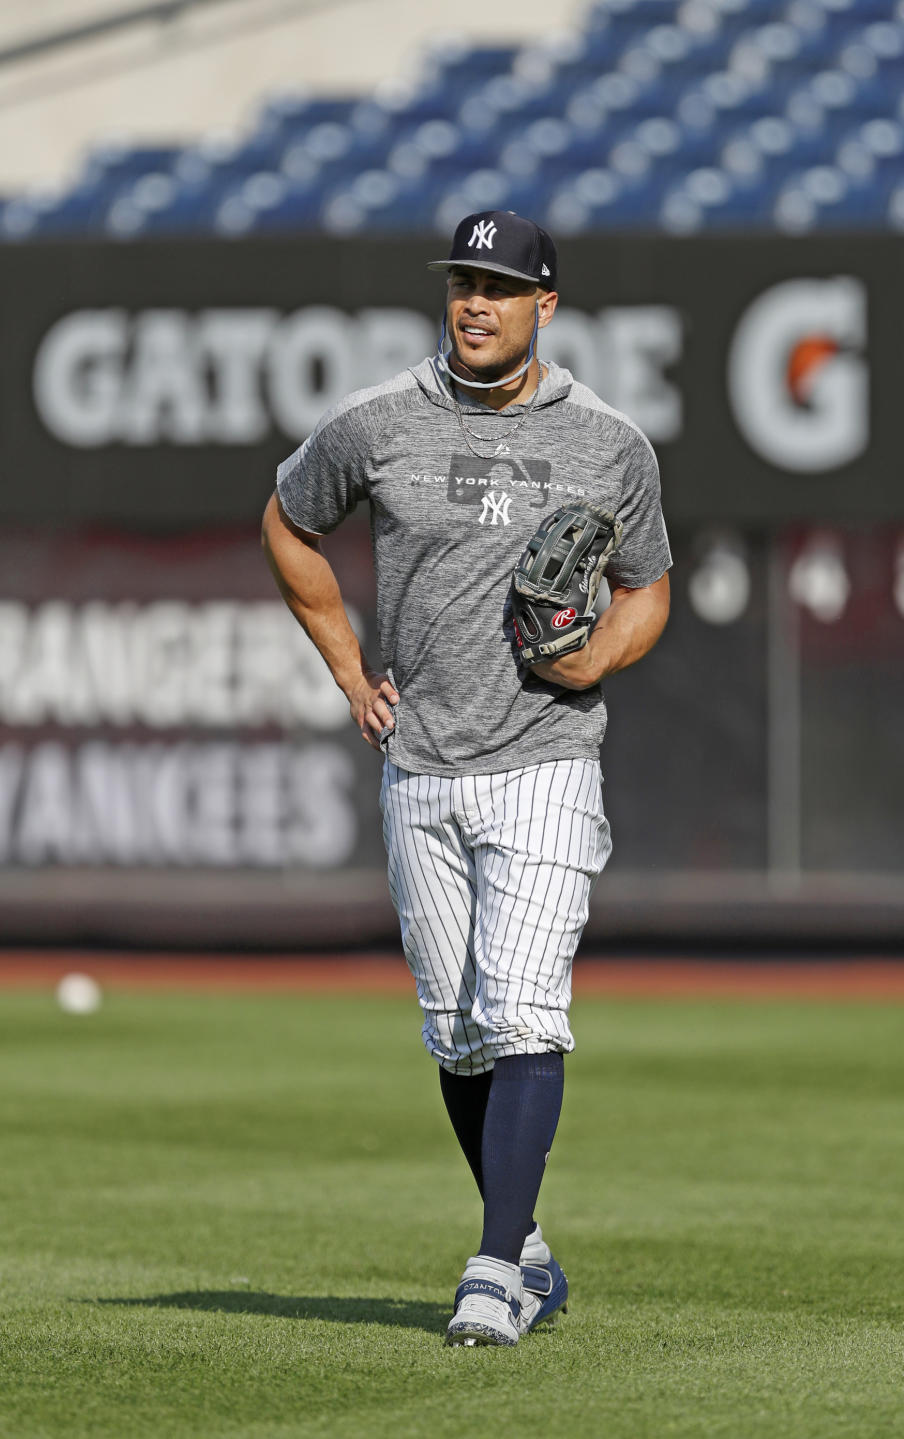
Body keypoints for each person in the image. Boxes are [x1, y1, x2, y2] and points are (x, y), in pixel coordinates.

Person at [262, 210, 671, 1347]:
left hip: (546, 754)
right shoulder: (380, 420)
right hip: (421, 762)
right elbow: (289, 524)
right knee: (458, 1032)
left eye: (499, 285)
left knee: (524, 1007)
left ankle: (492, 1267)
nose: (474, 302)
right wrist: (349, 667)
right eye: (462, 281)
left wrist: (603, 651)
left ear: (546, 304)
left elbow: (647, 588)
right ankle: (530, 1246)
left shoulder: (607, 440)